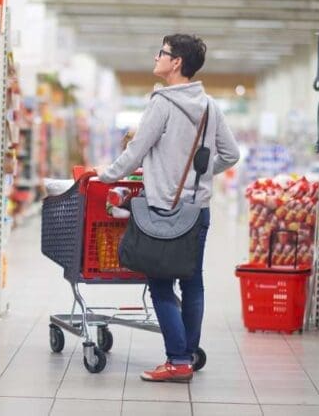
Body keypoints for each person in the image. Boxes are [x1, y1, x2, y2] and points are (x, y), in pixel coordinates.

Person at [98, 34, 240, 383]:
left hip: (164, 207)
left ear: (176, 62)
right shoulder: (209, 106)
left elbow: (136, 151)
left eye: (161, 52)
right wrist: (201, 174)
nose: (156, 57)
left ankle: (177, 361)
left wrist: (105, 176)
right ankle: (188, 353)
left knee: (161, 285)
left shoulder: (162, 102)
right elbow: (232, 154)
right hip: (198, 209)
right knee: (193, 283)